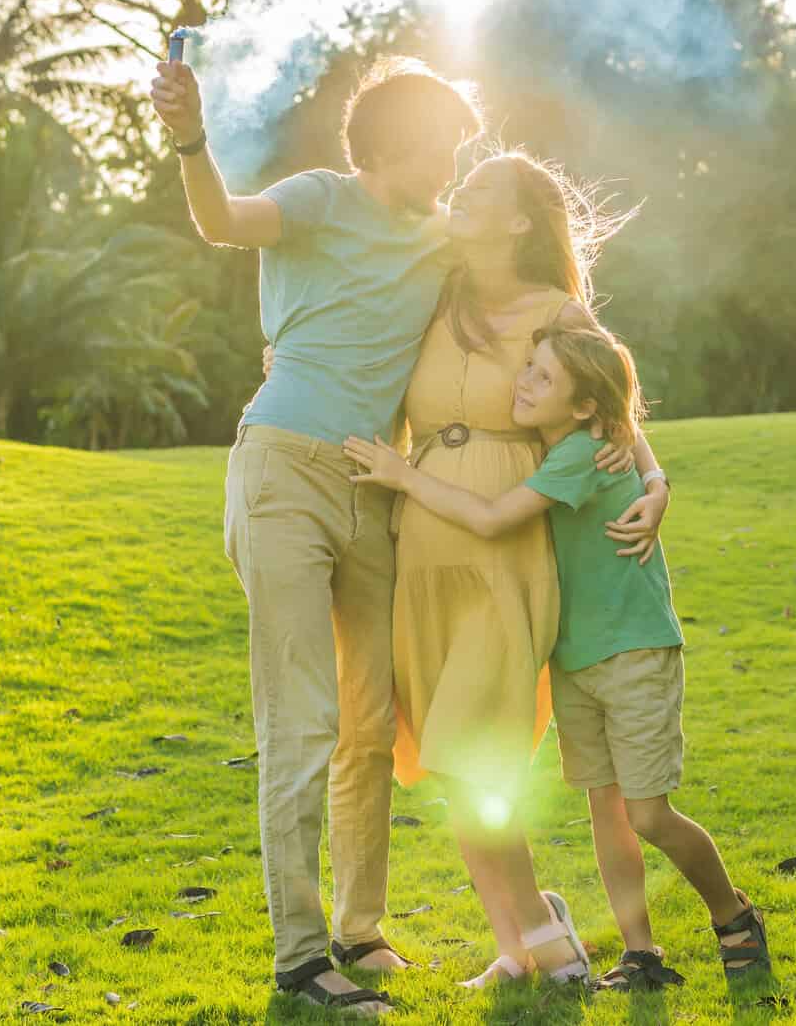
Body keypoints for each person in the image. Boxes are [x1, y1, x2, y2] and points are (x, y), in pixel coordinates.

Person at [150, 52, 474, 1017]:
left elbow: (527, 270)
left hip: (373, 487)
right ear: (393, 145)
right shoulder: (321, 199)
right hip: (283, 470)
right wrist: (190, 138)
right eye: (442, 149)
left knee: (370, 721)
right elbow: (221, 220)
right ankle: (299, 957)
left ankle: (359, 930)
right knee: (301, 719)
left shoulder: (444, 237)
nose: (452, 169)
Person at [345, 323, 773, 994]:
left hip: (631, 648)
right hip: (576, 655)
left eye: (542, 377)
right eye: (528, 367)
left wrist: (404, 476)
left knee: (648, 814)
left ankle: (734, 916)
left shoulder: (582, 451)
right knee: (608, 810)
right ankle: (640, 955)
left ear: (583, 406)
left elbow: (492, 517)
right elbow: (620, 421)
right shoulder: (576, 440)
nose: (521, 382)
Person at [381, 151, 670, 989]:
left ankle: (546, 932)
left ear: (518, 222)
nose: (457, 195)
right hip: (421, 546)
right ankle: (518, 942)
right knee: (447, 754)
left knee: (476, 748)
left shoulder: (557, 312)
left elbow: (613, 410)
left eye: (479, 191)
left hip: (507, 549)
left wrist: (656, 482)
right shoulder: (431, 292)